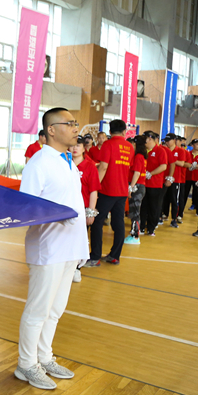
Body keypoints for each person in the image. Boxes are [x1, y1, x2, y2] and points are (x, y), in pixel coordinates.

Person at [16, 107, 88, 390]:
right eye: (69, 123)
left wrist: (82, 245)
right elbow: (26, 208)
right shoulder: (39, 162)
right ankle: (26, 364)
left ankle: (44, 357)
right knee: (38, 310)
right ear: (52, 130)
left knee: (55, 310)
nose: (76, 128)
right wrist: (59, 215)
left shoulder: (68, 161)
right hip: (48, 248)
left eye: (76, 123)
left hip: (70, 247)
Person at [86, 120, 133, 266]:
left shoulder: (108, 144)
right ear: (124, 132)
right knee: (118, 223)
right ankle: (114, 256)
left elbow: (104, 167)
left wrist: (95, 186)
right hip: (122, 191)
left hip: (107, 190)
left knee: (97, 222)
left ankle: (95, 257)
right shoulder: (129, 147)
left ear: (110, 132)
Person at [69, 137, 99, 282]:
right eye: (72, 145)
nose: (75, 148)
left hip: (82, 210)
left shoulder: (90, 166)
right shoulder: (64, 164)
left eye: (78, 145)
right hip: (66, 208)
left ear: (83, 148)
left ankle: (77, 268)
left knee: (79, 240)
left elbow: (93, 190)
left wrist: (90, 212)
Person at [141, 131, 168, 236]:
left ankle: (151, 228)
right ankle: (141, 227)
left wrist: (151, 173)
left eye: (145, 139)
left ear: (150, 139)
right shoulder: (143, 151)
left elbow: (163, 166)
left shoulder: (160, 150)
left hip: (155, 184)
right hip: (143, 183)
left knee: (153, 207)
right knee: (143, 206)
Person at [124, 135, 148, 245]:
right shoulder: (141, 156)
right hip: (139, 186)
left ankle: (135, 236)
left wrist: (131, 187)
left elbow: (137, 173)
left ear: (135, 144)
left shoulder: (138, 156)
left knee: (135, 212)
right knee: (134, 211)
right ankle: (134, 233)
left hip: (137, 186)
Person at [161, 134, 186, 227]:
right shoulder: (163, 150)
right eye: (166, 141)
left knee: (174, 199)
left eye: (169, 140)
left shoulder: (180, 151)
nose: (167, 142)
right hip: (164, 177)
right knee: (164, 198)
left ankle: (174, 219)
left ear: (174, 140)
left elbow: (182, 163)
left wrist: (171, 159)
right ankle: (164, 214)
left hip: (176, 179)